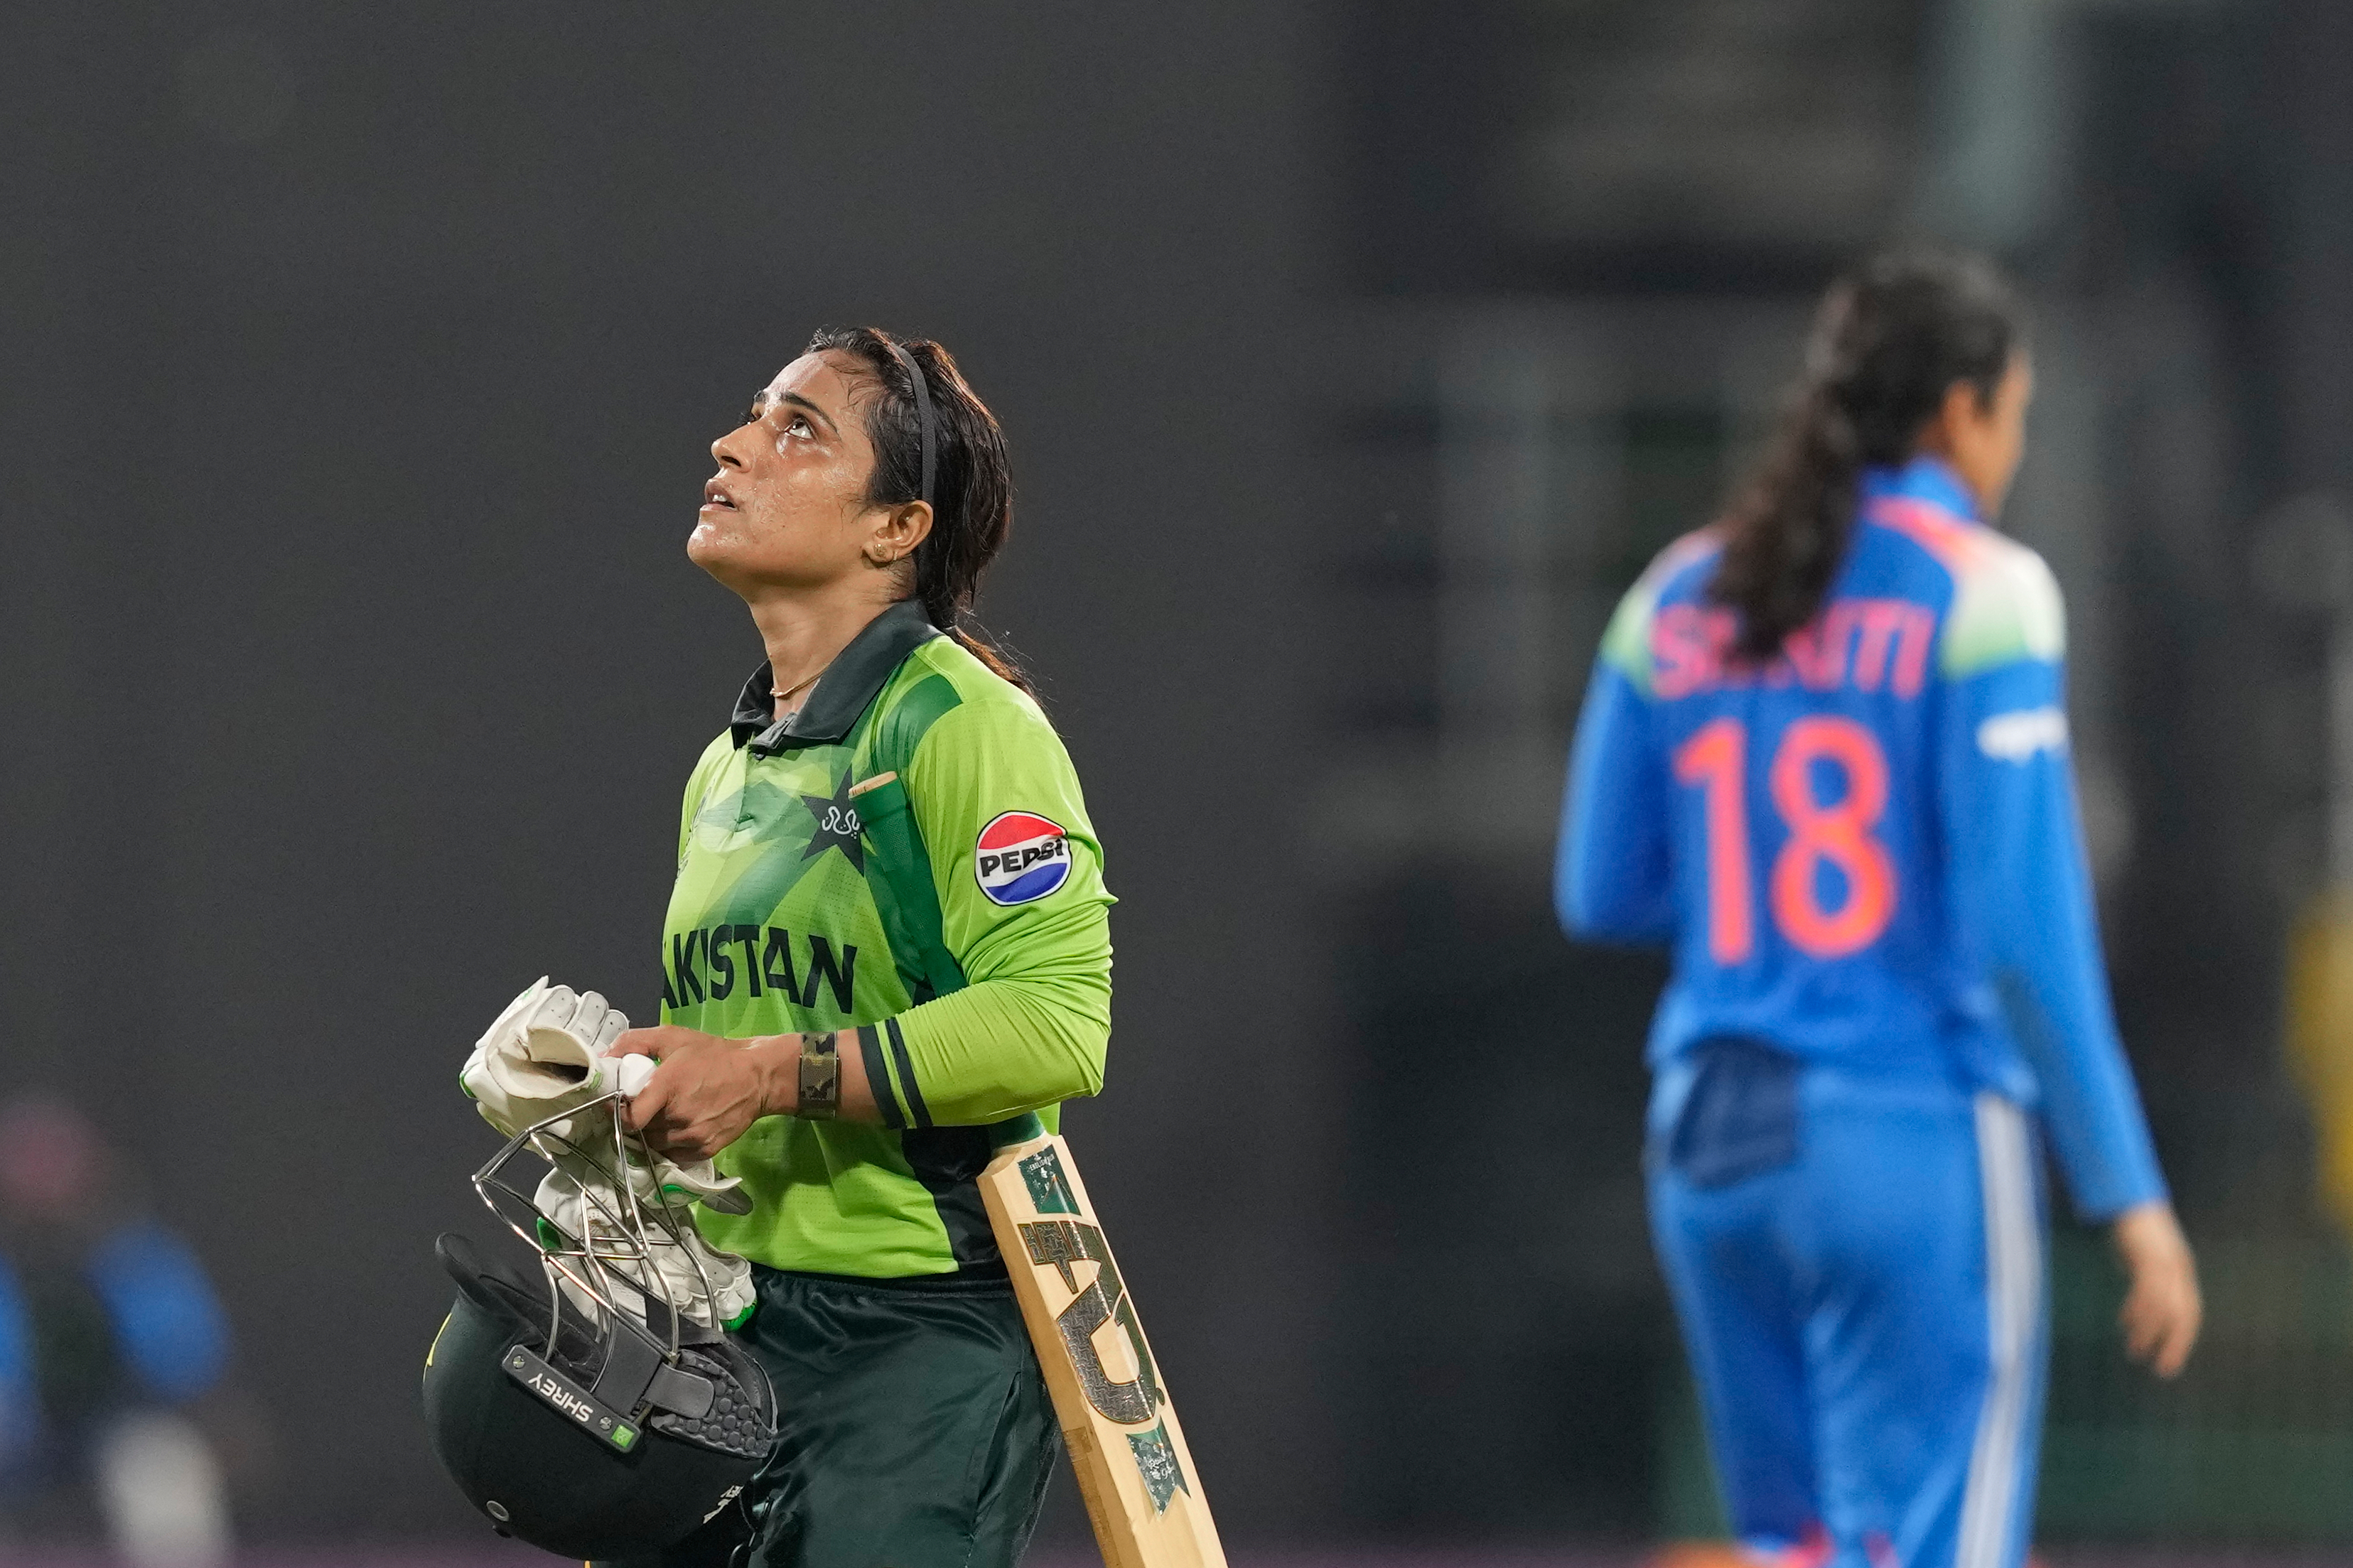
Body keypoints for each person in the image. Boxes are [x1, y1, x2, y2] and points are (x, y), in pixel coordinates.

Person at [1556, 252, 2202, 1568]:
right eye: (2013, 414)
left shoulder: (1674, 593)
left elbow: (1599, 890)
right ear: (1961, 412)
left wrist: (1762, 916)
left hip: (1710, 1147)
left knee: (1793, 1545)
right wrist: (2128, 1193)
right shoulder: (1986, 589)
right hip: (1903, 1135)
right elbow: (2029, 933)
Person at [596, 327, 1113, 1568]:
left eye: (797, 430)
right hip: (727, 1323)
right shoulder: (728, 766)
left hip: (919, 1335)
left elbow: (1055, 1025)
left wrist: (766, 1072)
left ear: (897, 528)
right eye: (750, 417)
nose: (732, 446)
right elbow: (745, 1059)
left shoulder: (966, 723)